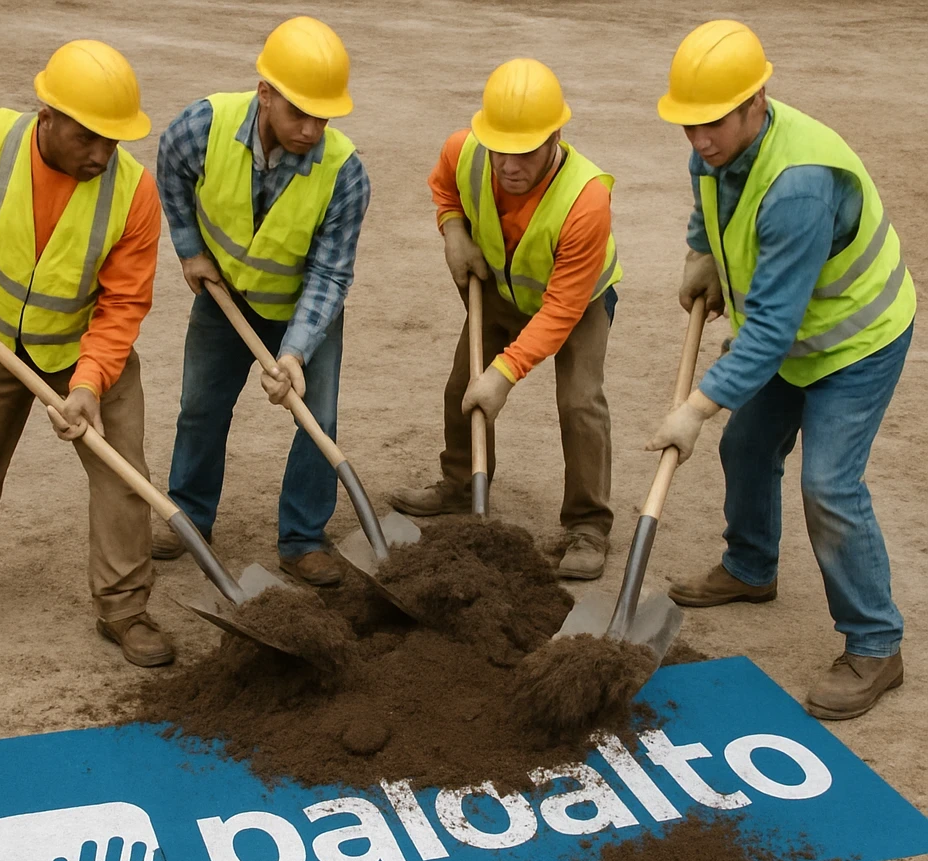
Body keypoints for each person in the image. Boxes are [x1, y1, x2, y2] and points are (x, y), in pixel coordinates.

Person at [648, 20, 916, 719]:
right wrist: (699, 254)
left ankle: (875, 644)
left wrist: (697, 407)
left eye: (713, 124)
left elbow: (767, 332)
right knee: (748, 444)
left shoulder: (797, 187)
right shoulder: (711, 153)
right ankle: (749, 567)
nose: (700, 141)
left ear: (756, 102)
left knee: (829, 484)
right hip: (796, 335)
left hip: (856, 340)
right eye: (689, 127)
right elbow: (709, 210)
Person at [0, 40, 175, 667]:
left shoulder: (134, 194)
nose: (102, 155)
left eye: (113, 140)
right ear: (45, 115)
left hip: (84, 350)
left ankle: (124, 609)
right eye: (88, 137)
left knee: (121, 476)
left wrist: (88, 384)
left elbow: (123, 305)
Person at [153, 15, 370, 587]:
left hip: (304, 308)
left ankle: (302, 538)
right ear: (265, 94)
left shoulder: (345, 173)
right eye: (299, 112)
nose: (311, 129)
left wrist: (295, 353)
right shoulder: (201, 127)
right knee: (200, 407)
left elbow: (330, 273)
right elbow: (170, 169)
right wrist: (188, 248)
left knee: (317, 420)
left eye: (323, 116)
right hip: (225, 297)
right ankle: (191, 516)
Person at [389, 59, 622, 580]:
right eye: (501, 150)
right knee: (461, 387)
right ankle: (459, 486)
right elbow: (445, 188)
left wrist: (506, 372)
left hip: (578, 301)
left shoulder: (587, 199)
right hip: (498, 287)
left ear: (555, 136)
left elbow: (561, 308)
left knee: (580, 401)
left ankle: (587, 524)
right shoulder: (465, 150)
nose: (509, 166)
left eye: (525, 152)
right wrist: (454, 231)